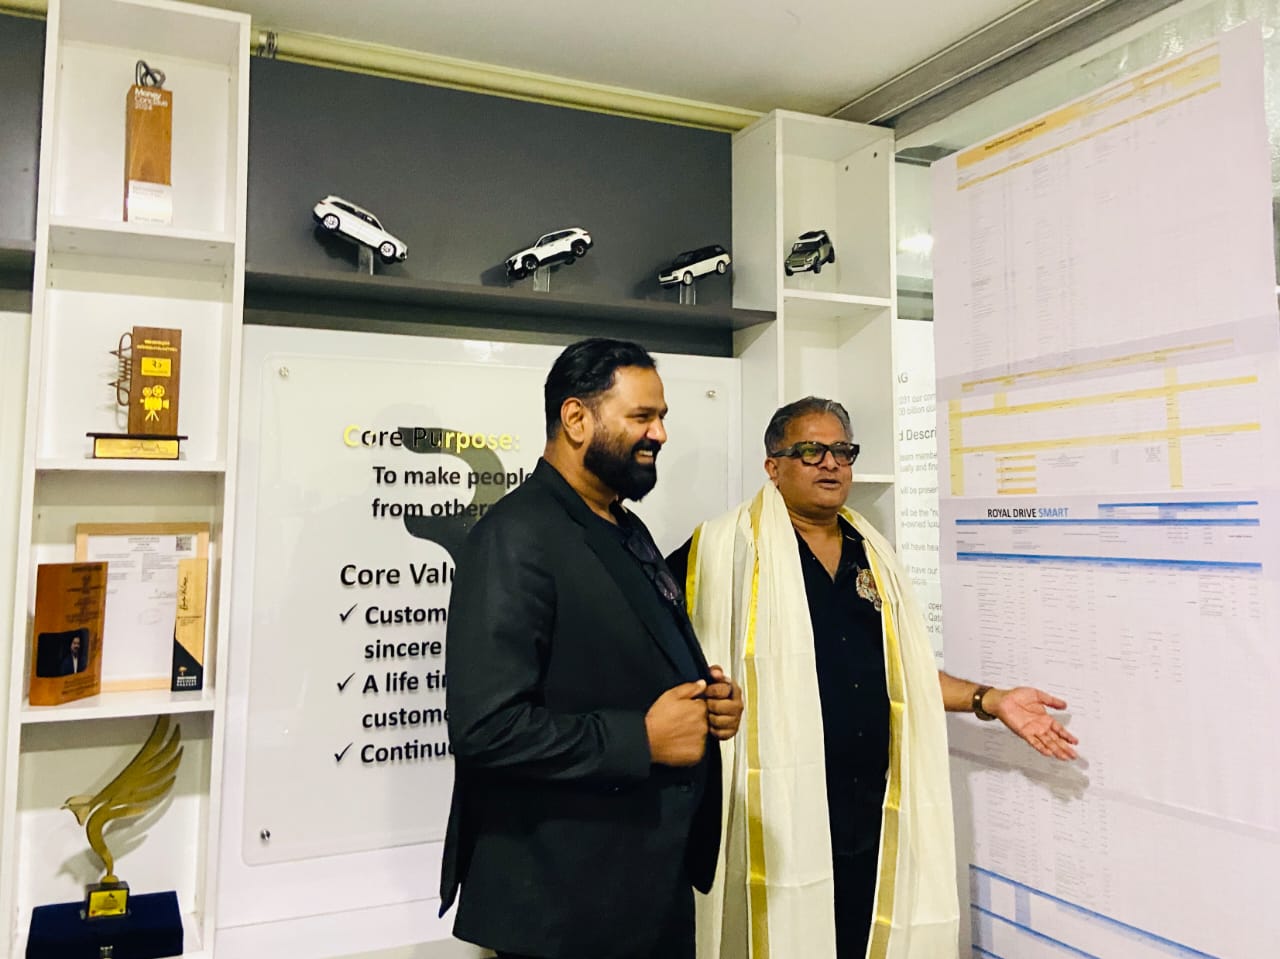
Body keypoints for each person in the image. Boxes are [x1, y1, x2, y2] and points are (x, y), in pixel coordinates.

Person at [668, 396, 1078, 959]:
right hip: (775, 814)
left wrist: (989, 699)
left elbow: (904, 674)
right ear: (773, 466)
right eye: (811, 450)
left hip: (871, 813)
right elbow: (659, 654)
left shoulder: (872, 554)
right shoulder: (721, 549)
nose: (830, 463)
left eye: (842, 451)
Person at [440, 338, 744, 959]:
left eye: (662, 417)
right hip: (566, 911)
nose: (660, 434)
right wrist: (644, 738)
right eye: (642, 416)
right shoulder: (514, 535)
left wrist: (704, 700)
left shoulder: (622, 525)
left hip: (641, 890)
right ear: (576, 418)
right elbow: (485, 730)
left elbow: (616, 661)